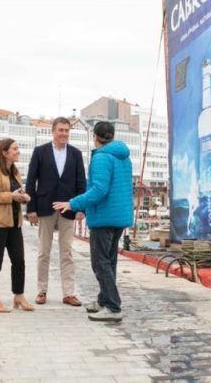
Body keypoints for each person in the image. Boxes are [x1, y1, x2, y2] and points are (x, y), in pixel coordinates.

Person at [54, 121, 132, 322]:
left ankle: (113, 308)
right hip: (119, 217)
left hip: (104, 217)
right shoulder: (123, 156)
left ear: (95, 137)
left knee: (100, 263)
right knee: (109, 261)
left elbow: (99, 190)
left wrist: (73, 203)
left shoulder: (101, 157)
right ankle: (104, 300)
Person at [25, 117, 87, 306]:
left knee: (66, 252)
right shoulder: (40, 152)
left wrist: (79, 207)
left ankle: (68, 293)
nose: (64, 134)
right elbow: (30, 181)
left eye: (67, 130)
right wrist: (31, 208)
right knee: (44, 251)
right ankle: (41, 291)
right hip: (45, 207)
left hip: (68, 209)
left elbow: (81, 183)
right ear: (53, 131)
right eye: (60, 130)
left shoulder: (76, 154)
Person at [0, 138, 34, 313]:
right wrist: (11, 196)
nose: (18, 152)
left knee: (19, 261)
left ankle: (18, 295)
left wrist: (24, 196)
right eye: (15, 149)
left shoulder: (15, 172)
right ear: (4, 152)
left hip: (14, 224)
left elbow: (16, 193)